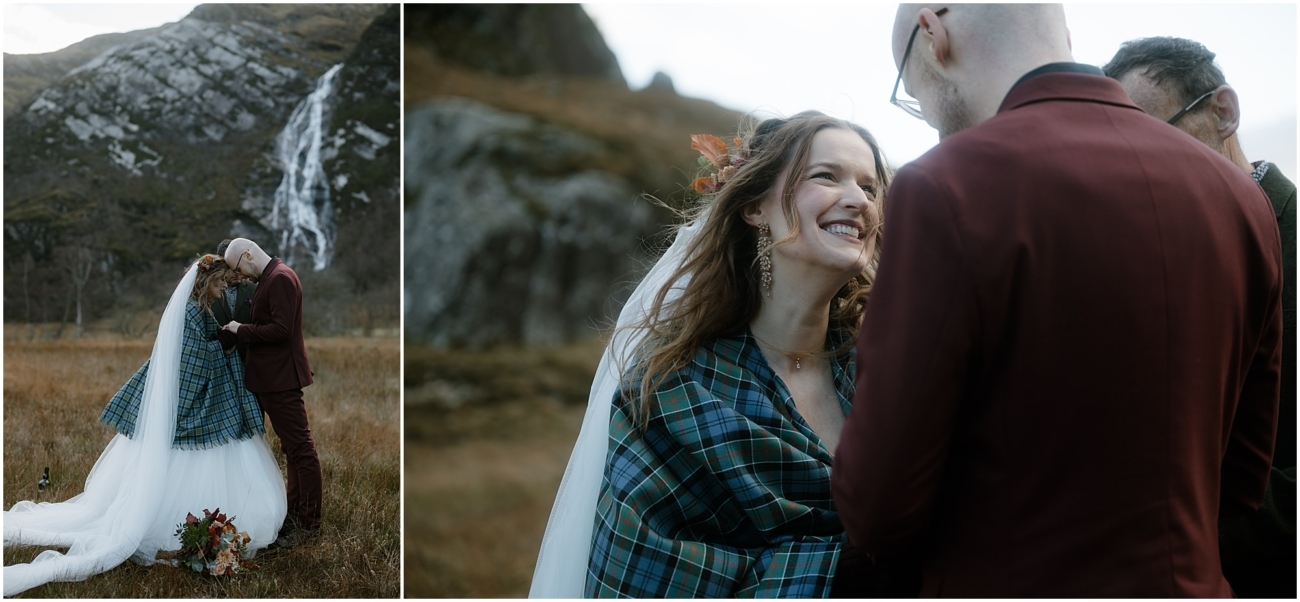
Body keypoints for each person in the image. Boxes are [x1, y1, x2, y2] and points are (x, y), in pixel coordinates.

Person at [832, 5, 1281, 597]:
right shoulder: (1242, 201)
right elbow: (1243, 480)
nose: (931, 120)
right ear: (1061, 35)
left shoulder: (947, 184)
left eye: (915, 93)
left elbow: (878, 506)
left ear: (934, 33)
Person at [531, 111, 913, 598]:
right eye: (826, 176)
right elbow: (636, 573)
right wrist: (841, 573)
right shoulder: (673, 385)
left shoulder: (886, 370)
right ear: (755, 207)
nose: (860, 200)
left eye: (870, 186)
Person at [1103, 36, 1296, 599]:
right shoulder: (1139, 269)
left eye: (1151, 138)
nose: (1137, 170)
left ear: (1224, 112)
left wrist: (1166, 542)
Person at [2, 255, 287, 597]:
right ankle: (179, 529)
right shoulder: (189, 313)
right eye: (220, 281)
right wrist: (228, 341)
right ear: (204, 282)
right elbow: (193, 362)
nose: (225, 286)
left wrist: (226, 338)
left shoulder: (200, 310)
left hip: (209, 397)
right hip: (193, 404)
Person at [220, 238, 321, 547]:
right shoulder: (270, 277)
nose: (241, 276)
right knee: (291, 450)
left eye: (239, 267)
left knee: (301, 450)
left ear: (248, 254)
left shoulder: (280, 278)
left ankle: (309, 526)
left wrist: (240, 329)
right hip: (270, 378)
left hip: (281, 378)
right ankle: (294, 517)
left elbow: (282, 330)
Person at [214, 238, 258, 362]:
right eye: (230, 267)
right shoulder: (209, 292)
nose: (236, 272)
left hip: (249, 362)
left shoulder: (254, 288)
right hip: (218, 362)